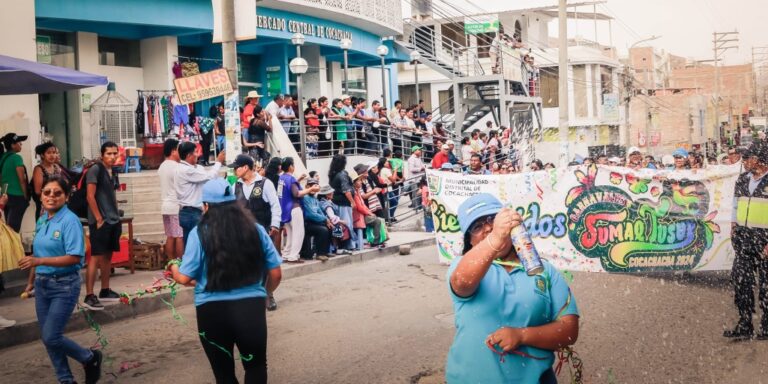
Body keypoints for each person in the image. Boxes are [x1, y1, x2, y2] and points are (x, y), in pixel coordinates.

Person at [446, 193, 579, 383]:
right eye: (477, 226)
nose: (488, 228)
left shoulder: (544, 270)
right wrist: (495, 238)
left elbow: (569, 331)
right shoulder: (462, 265)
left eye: (493, 219)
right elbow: (462, 283)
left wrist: (522, 335)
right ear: (470, 241)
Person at [168, 178, 282, 384]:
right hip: (251, 308)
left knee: (224, 375)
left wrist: (173, 267)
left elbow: (184, 277)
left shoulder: (199, 233)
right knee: (256, 366)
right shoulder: (256, 230)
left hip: (211, 312)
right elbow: (276, 274)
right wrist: (264, 292)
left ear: (206, 206)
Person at [19, 177, 103, 384]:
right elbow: (35, 256)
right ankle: (66, 380)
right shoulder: (42, 219)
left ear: (66, 197)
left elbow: (75, 257)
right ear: (41, 195)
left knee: (51, 336)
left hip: (64, 285)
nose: (51, 197)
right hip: (42, 284)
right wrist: (31, 281)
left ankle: (89, 357)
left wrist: (39, 260)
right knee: (49, 338)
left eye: (57, 193)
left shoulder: (70, 221)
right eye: (47, 192)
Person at [725, 142, 768, 340]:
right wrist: (733, 227)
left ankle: (766, 326)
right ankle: (745, 324)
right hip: (744, 240)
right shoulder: (742, 180)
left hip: (765, 241)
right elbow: (736, 206)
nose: (744, 162)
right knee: (741, 281)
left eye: (748, 158)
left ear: (760, 160)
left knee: (766, 286)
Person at [82, 141, 121, 311]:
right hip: (100, 221)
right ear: (102, 154)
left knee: (107, 256)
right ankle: (89, 295)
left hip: (112, 220)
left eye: (115, 153)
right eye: (109, 154)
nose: (112, 157)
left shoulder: (110, 171)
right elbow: (90, 196)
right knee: (96, 257)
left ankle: (105, 289)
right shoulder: (95, 169)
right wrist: (98, 218)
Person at [176, 141, 226, 246]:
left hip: (190, 212)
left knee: (192, 243)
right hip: (191, 212)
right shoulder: (186, 170)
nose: (198, 155)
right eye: (195, 152)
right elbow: (209, 177)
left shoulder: (191, 168)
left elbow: (207, 177)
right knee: (198, 244)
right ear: (189, 155)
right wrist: (218, 162)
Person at [278, 157, 319, 263]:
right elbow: (296, 193)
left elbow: (288, 188)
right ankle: (294, 256)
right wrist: (310, 189)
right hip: (294, 208)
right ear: (291, 166)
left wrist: (299, 180)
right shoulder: (290, 179)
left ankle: (286, 254)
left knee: (291, 233)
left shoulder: (281, 178)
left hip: (284, 209)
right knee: (298, 233)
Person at [231, 154, 281, 234]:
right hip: (243, 234)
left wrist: (275, 224)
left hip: (263, 233)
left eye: (236, 168)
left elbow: (275, 205)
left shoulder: (266, 183)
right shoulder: (235, 186)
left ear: (245, 168)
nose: (234, 171)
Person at [159, 139, 183, 260]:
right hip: (175, 206)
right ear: (174, 151)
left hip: (165, 205)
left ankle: (171, 263)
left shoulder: (162, 166)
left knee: (170, 235)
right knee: (179, 235)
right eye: (179, 150)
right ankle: (180, 262)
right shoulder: (177, 167)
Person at [0, 133, 30, 232]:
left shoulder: (2, 158)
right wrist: (25, 196)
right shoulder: (17, 158)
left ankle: (10, 245)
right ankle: (13, 246)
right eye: (19, 142)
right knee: (13, 228)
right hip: (17, 196)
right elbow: (21, 179)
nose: (21, 144)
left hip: (5, 195)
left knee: (9, 226)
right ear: (13, 145)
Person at [328, 155, 357, 251]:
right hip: (344, 203)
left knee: (340, 225)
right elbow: (346, 191)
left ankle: (343, 244)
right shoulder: (342, 174)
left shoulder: (332, 174)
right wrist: (352, 202)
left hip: (336, 202)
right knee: (347, 224)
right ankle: (349, 245)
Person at [300, 178, 333, 261]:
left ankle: (324, 251)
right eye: (310, 186)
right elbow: (311, 214)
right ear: (307, 186)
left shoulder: (314, 198)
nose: (313, 188)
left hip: (315, 222)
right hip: (307, 223)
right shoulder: (305, 198)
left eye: (314, 186)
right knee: (323, 230)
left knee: (329, 227)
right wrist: (325, 219)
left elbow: (319, 211)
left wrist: (326, 220)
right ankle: (320, 254)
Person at [351, 170, 386, 249]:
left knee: (378, 220)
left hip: (363, 214)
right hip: (359, 216)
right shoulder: (354, 193)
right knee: (377, 221)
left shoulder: (357, 192)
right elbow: (359, 207)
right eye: (359, 181)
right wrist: (369, 213)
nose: (360, 182)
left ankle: (379, 240)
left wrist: (369, 212)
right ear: (354, 183)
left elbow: (363, 205)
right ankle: (376, 242)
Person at [31, 142, 62, 219]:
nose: (52, 155)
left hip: (57, 204)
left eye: (54, 152)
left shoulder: (56, 167)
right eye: (48, 153)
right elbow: (38, 191)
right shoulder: (38, 169)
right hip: (44, 206)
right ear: (42, 155)